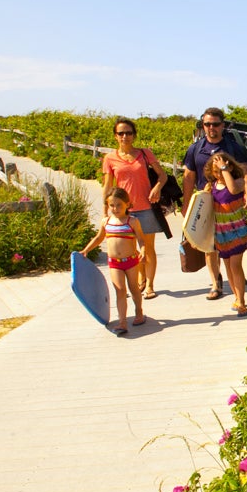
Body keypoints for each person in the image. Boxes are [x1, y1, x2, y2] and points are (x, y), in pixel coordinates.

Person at [182, 107, 247, 300]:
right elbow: (188, 177)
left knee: (228, 245)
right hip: (205, 202)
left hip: (228, 205)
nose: (211, 127)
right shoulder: (195, 149)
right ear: (202, 125)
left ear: (222, 125)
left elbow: (245, 172)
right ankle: (216, 283)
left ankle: (234, 280)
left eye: (215, 124)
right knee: (209, 246)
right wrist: (186, 203)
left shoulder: (234, 148)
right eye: (207, 124)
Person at [100, 118, 168, 300]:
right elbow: (108, 186)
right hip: (124, 211)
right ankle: (140, 278)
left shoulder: (145, 154)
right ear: (115, 136)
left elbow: (162, 175)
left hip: (146, 207)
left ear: (134, 135)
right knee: (131, 250)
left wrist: (157, 188)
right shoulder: (110, 158)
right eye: (121, 133)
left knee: (149, 248)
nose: (125, 136)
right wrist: (106, 209)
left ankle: (150, 285)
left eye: (128, 133)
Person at [80, 188, 146, 336]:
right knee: (120, 290)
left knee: (134, 288)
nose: (115, 209)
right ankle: (122, 321)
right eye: (112, 205)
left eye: (119, 205)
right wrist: (86, 250)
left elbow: (141, 239)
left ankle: (139, 311)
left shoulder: (133, 221)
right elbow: (98, 238)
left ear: (127, 204)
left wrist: (142, 250)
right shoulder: (106, 221)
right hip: (114, 263)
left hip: (131, 261)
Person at [206, 151, 247, 315]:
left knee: (235, 265)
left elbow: (232, 189)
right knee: (227, 266)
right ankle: (237, 296)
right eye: (216, 170)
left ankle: (241, 301)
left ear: (230, 167)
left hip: (237, 230)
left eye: (222, 169)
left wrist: (224, 168)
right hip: (222, 233)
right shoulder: (212, 187)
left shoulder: (237, 182)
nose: (219, 173)